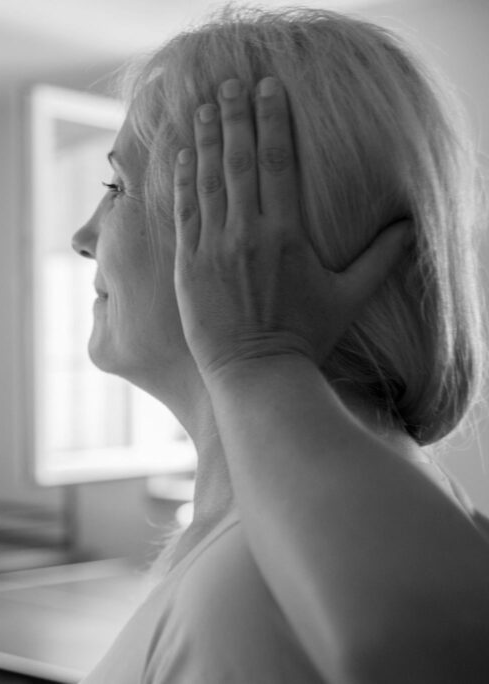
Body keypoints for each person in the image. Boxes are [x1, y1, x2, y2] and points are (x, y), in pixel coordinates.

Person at [70, 6, 489, 682]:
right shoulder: (313, 531)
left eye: (117, 187)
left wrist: (256, 357)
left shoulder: (252, 584)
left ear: (250, 234)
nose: (83, 236)